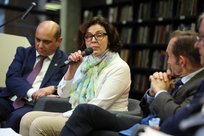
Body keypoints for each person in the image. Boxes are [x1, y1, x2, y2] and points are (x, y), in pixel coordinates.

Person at [59, 29, 204, 136]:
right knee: (85, 110)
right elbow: (144, 110)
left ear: (181, 61)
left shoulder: (199, 84)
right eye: (88, 37)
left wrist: (161, 92)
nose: (167, 61)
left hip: (153, 129)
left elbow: (178, 117)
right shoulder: (178, 78)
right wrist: (152, 94)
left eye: (168, 56)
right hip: (142, 122)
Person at [19, 16, 131, 136]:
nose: (93, 40)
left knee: (39, 125)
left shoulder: (119, 67)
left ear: (109, 38)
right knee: (27, 119)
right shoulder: (85, 62)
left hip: (102, 120)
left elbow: (99, 105)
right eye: (88, 36)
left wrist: (66, 114)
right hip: (78, 115)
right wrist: (72, 69)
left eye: (99, 35)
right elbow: (63, 93)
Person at [0, 20, 68, 132]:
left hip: (34, 106)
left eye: (46, 42)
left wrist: (52, 89)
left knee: (16, 118)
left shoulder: (65, 62)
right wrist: (32, 93)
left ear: (58, 41)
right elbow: (12, 78)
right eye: (37, 39)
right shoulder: (23, 53)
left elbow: (60, 87)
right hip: (11, 99)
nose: (40, 45)